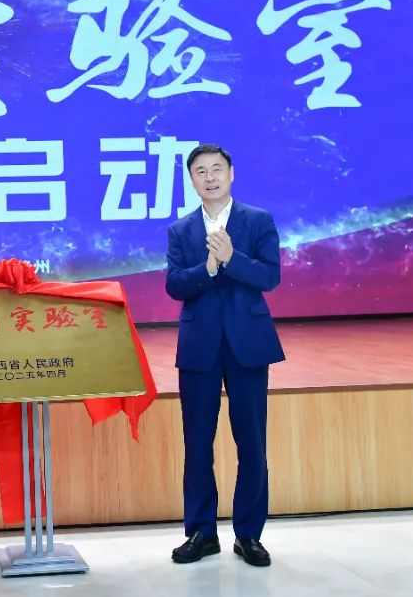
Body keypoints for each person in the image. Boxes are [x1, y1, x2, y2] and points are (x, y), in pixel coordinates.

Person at [164, 144, 285, 568]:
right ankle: (201, 533)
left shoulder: (258, 220)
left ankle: (249, 535)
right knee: (197, 443)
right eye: (201, 171)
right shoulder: (181, 230)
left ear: (231, 174)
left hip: (248, 343)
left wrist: (232, 259)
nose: (210, 177)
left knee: (251, 441)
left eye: (217, 169)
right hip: (199, 345)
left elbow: (269, 276)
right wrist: (209, 269)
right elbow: (175, 285)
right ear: (192, 180)